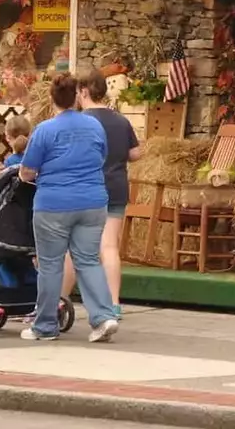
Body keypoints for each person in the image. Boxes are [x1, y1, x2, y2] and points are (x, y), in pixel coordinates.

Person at [18, 72, 120, 342]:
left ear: (51, 98)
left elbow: (28, 170)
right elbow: (101, 156)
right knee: (88, 261)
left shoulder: (44, 130)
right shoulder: (95, 126)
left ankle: (45, 326)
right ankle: (103, 317)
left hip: (53, 203)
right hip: (93, 201)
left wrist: (27, 175)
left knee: (50, 265)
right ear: (77, 96)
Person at [60, 71, 141, 311]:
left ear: (83, 91)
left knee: (72, 247)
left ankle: (60, 301)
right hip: (115, 187)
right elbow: (135, 153)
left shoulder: (80, 121)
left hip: (86, 189)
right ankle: (114, 303)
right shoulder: (120, 120)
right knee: (109, 247)